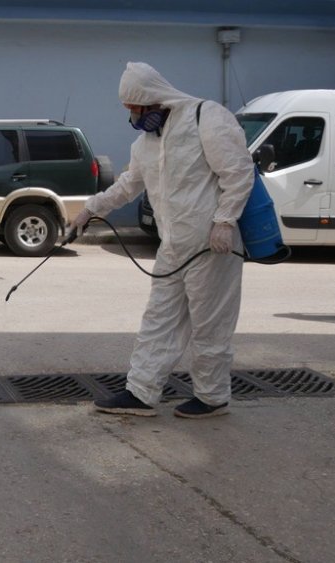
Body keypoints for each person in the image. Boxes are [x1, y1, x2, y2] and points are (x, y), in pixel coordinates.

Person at [69, 62, 254, 419]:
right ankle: (141, 392)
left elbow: (238, 171)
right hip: (172, 246)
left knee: (209, 325)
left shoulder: (207, 118)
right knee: (158, 320)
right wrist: (91, 209)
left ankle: (213, 397)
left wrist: (225, 221)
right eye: (129, 112)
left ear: (156, 100)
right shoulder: (144, 145)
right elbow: (128, 185)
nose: (134, 118)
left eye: (137, 109)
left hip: (211, 245)